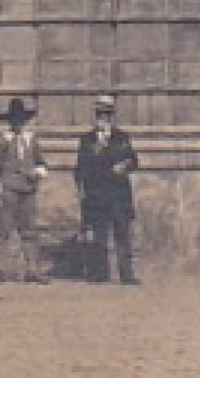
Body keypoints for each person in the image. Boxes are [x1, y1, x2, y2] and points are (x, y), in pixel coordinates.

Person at [74, 94, 140, 285]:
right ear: (96, 116)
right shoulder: (87, 140)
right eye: (100, 115)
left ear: (112, 117)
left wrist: (124, 166)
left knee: (123, 236)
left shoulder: (122, 138)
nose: (104, 119)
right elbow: (80, 168)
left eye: (107, 115)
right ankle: (99, 273)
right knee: (99, 237)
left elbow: (134, 161)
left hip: (119, 195)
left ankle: (126, 274)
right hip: (97, 195)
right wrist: (82, 190)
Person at [0, 97, 48, 283]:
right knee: (4, 229)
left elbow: (41, 163)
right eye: (15, 120)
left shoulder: (31, 139)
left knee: (29, 229)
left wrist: (37, 172)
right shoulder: (3, 140)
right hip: (9, 189)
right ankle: (1, 270)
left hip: (28, 189)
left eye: (21, 120)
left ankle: (32, 270)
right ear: (10, 122)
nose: (18, 124)